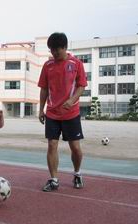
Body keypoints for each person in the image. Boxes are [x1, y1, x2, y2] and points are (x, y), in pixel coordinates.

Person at [38, 32, 87, 192]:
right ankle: (53, 179)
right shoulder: (47, 66)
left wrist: (72, 100)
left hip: (71, 113)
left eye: (57, 50)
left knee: (75, 147)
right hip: (52, 113)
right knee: (52, 145)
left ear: (65, 47)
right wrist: (41, 109)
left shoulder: (76, 63)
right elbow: (44, 89)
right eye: (51, 50)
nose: (54, 53)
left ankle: (77, 173)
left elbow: (81, 86)